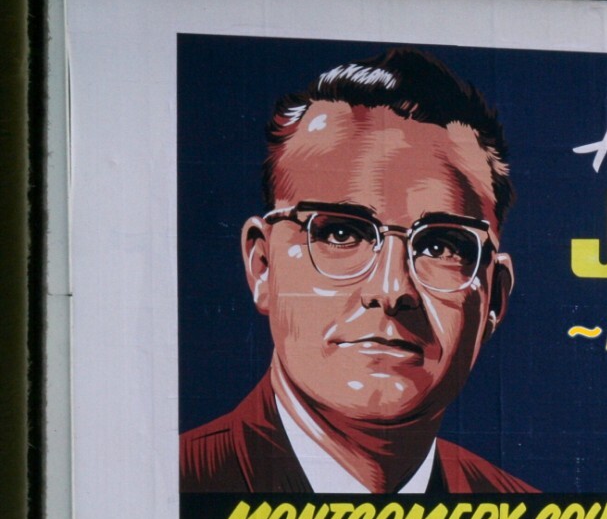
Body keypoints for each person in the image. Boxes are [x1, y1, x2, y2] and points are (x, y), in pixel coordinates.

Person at [181, 48, 534, 493]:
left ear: (493, 299)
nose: (391, 289)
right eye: (341, 235)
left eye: (441, 244)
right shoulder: (170, 491)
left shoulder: (526, 515)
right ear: (263, 265)